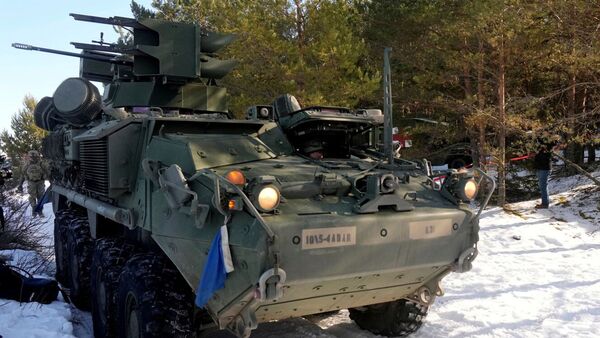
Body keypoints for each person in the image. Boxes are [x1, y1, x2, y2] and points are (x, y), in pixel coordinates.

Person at [18, 150, 47, 217]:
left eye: (35, 157)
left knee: (41, 197)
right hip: (31, 183)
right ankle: (34, 211)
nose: (33, 158)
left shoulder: (41, 164)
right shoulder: (26, 165)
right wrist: (20, 185)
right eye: (32, 157)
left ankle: (40, 211)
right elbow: (22, 175)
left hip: (40, 182)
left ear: (37, 156)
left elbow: (47, 172)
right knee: (32, 197)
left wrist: (52, 182)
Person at [533, 143, 553, 209]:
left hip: (545, 169)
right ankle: (544, 203)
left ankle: (545, 204)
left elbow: (546, 156)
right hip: (540, 168)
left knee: (543, 186)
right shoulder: (539, 145)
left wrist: (538, 153)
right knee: (542, 186)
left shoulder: (549, 144)